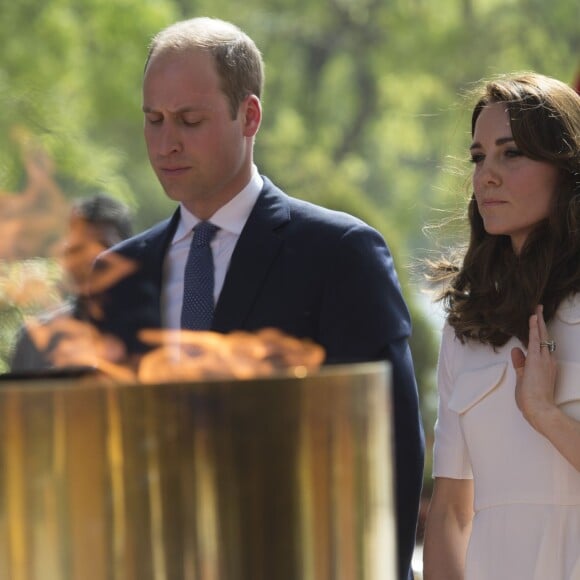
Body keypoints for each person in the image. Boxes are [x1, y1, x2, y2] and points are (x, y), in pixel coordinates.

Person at [90, 17, 424, 579]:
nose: (166, 142)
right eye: (153, 120)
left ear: (249, 116)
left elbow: (388, 447)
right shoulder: (116, 274)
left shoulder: (339, 253)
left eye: (189, 120)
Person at [423, 72, 580, 579]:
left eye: (510, 153)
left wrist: (545, 413)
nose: (486, 174)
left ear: (566, 167)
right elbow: (449, 512)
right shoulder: (465, 327)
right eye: (478, 157)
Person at [9, 193, 133, 372]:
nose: (90, 260)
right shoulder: (35, 339)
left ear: (130, 250)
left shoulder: (156, 330)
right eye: (78, 249)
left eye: (103, 247)